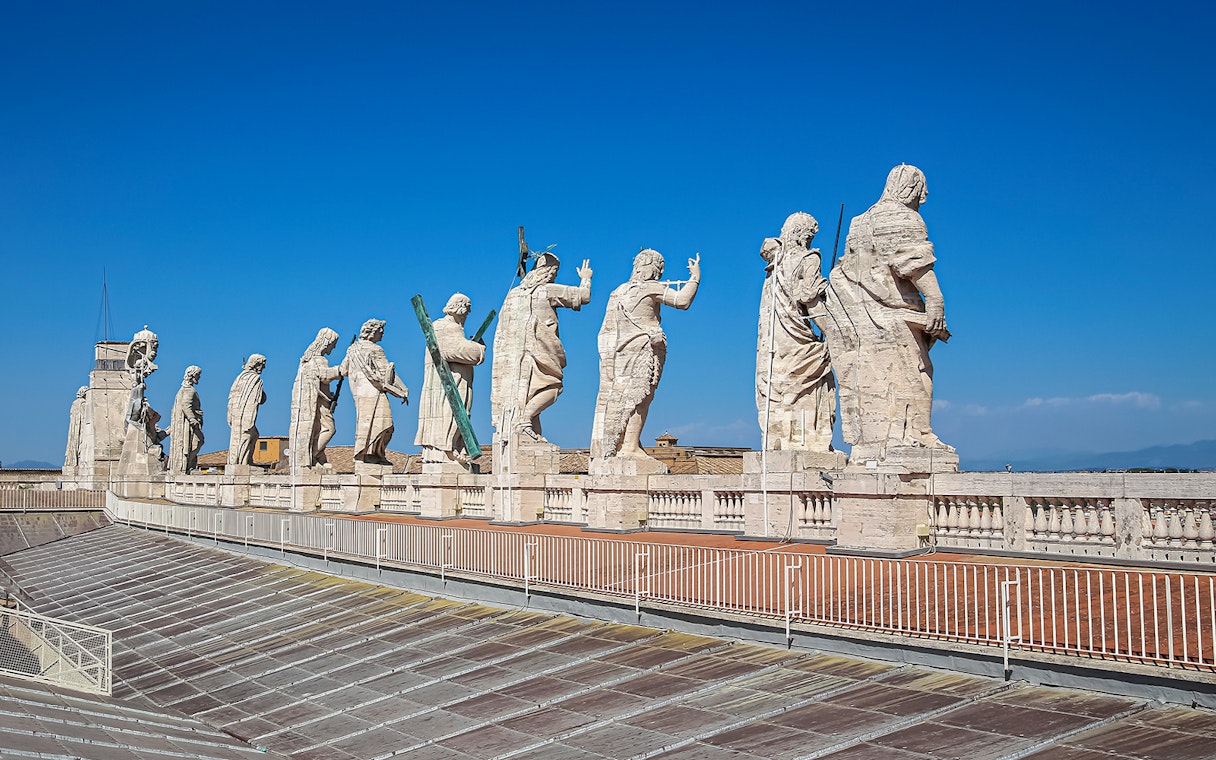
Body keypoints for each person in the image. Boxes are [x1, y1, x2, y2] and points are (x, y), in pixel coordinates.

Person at [824, 164, 952, 452]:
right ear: (910, 189)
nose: (924, 198)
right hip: (895, 316)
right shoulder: (905, 218)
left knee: (870, 381)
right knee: (917, 373)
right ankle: (917, 435)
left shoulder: (858, 223)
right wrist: (936, 301)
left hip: (859, 318)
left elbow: (847, 270)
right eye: (921, 191)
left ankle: (875, 444)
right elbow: (913, 263)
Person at [590, 249, 700, 466]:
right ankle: (629, 447)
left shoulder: (618, 292)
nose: (659, 274)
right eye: (658, 268)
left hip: (619, 353)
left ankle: (626, 444)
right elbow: (682, 301)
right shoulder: (651, 288)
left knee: (622, 397)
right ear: (649, 266)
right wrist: (695, 277)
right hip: (644, 348)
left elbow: (605, 332)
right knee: (641, 396)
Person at [490, 253, 592, 442]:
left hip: (514, 358)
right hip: (539, 350)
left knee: (528, 392)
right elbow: (583, 297)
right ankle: (524, 420)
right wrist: (586, 278)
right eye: (554, 272)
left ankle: (529, 433)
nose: (554, 276)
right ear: (548, 272)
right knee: (553, 386)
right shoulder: (547, 290)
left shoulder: (513, 295)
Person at [756, 212, 836, 452]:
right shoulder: (807, 258)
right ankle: (809, 443)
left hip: (774, 339)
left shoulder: (774, 265)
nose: (810, 241)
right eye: (810, 236)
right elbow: (809, 299)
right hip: (796, 339)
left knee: (779, 388)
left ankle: (779, 443)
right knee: (814, 375)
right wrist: (833, 332)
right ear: (804, 235)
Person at [416, 294, 486, 463]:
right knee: (452, 413)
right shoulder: (446, 327)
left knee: (457, 413)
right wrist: (479, 349)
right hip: (451, 382)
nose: (467, 315)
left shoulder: (442, 327)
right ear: (460, 309)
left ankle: (452, 447)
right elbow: (455, 350)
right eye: (466, 311)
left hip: (451, 380)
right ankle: (448, 448)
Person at [341, 319, 408, 465]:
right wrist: (403, 389)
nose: (383, 333)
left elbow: (343, 370)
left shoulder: (352, 349)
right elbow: (386, 373)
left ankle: (367, 455)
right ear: (372, 332)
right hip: (374, 391)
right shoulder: (375, 349)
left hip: (359, 393)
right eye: (380, 330)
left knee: (365, 423)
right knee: (385, 423)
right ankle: (374, 455)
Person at [289, 328, 343, 473]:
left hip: (318, 401)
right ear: (327, 343)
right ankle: (312, 455)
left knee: (317, 430)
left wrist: (329, 395)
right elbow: (324, 376)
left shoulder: (307, 361)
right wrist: (340, 370)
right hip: (317, 404)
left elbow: (317, 383)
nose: (334, 347)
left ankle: (317, 456)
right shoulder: (318, 360)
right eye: (333, 344)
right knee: (329, 429)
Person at [226, 354, 267, 467]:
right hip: (246, 414)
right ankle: (243, 463)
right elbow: (257, 400)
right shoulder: (255, 379)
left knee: (248, 435)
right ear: (257, 364)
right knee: (248, 435)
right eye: (263, 365)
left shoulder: (239, 378)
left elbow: (231, 397)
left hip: (235, 413)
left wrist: (230, 414)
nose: (264, 368)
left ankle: (235, 461)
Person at [168, 366, 204, 474]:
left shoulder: (183, 389)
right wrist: (192, 419)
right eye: (198, 375)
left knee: (194, 443)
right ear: (192, 375)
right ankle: (187, 466)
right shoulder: (189, 391)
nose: (199, 377)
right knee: (198, 441)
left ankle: (188, 465)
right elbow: (186, 405)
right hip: (189, 424)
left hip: (188, 422)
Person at [64, 386, 88, 469]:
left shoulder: (74, 403)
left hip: (73, 429)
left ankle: (72, 460)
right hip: (80, 427)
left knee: (74, 442)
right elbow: (85, 417)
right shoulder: (83, 403)